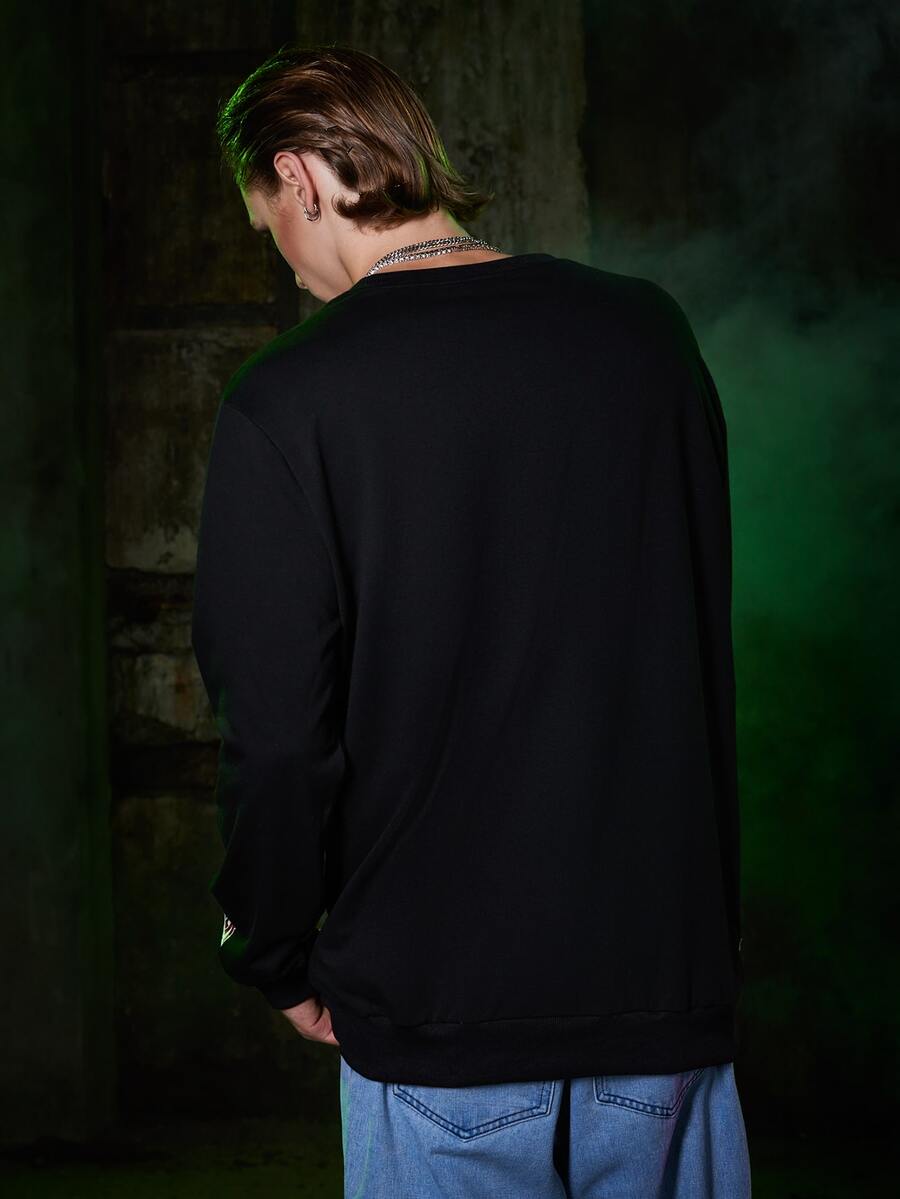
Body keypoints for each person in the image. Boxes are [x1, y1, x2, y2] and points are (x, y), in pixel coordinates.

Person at [191, 43, 752, 1199]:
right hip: (662, 987)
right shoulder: (646, 336)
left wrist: (275, 951)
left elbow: (280, 737)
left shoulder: (290, 397)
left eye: (267, 227)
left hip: (438, 1002)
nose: (286, 262)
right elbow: (700, 653)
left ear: (298, 176)